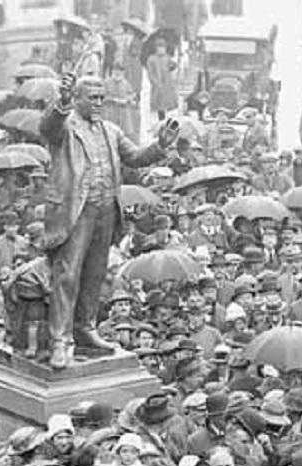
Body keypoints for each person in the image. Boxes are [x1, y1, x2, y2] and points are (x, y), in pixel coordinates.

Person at [40, 72, 177, 368]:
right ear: (77, 99)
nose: (99, 102)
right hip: (76, 211)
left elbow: (136, 157)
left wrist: (160, 145)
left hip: (105, 210)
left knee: (95, 273)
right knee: (67, 275)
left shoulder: (111, 131)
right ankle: (60, 340)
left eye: (102, 97)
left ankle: (85, 328)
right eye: (93, 98)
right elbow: (48, 127)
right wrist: (61, 102)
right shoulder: (66, 127)